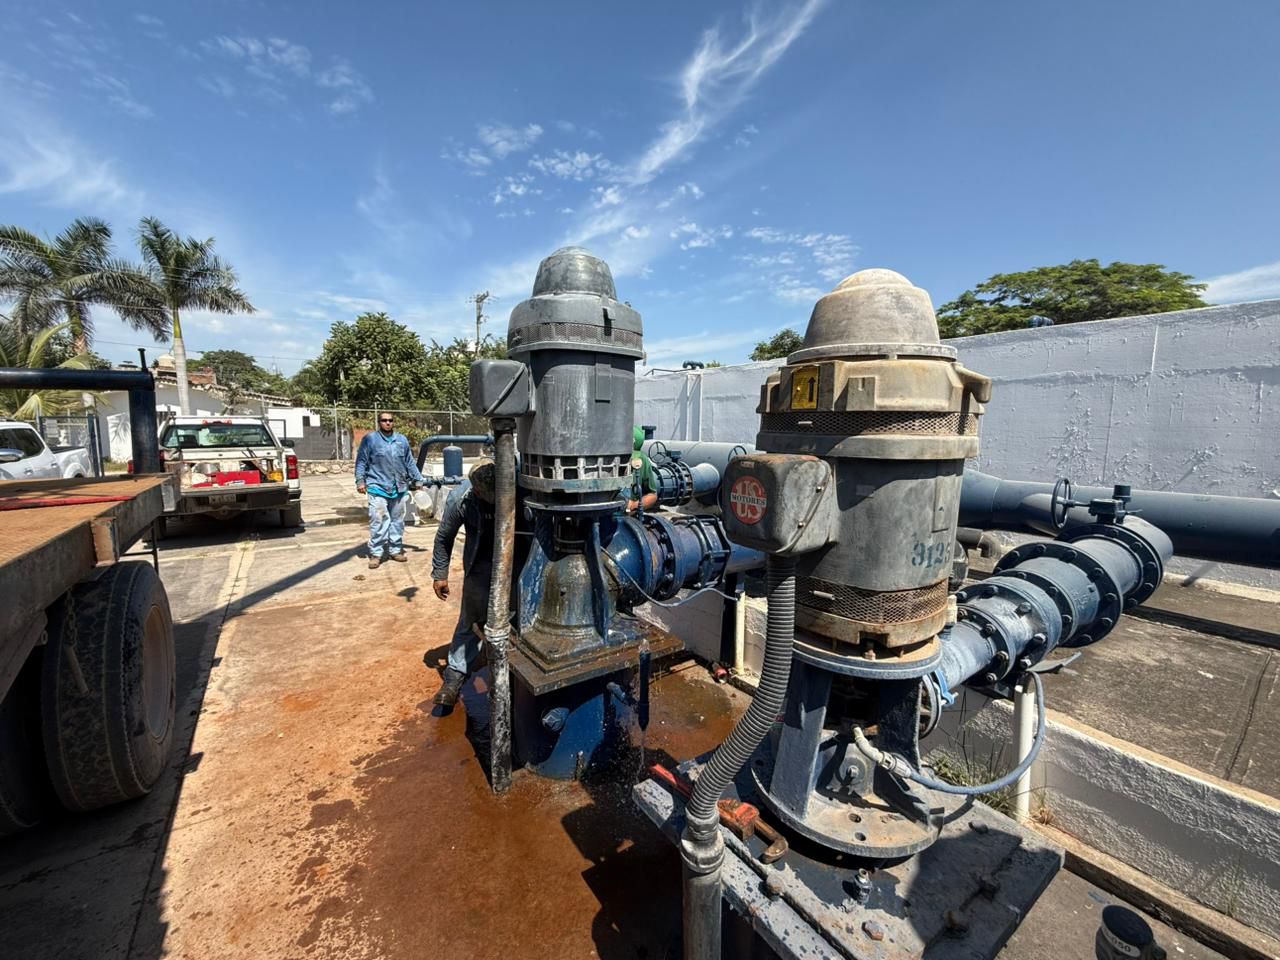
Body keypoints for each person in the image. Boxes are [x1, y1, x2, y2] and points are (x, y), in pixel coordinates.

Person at [430, 460, 496, 709]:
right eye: (485, 497)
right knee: (470, 620)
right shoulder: (460, 499)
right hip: (479, 564)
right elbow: (444, 538)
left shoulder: (520, 488)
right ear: (476, 491)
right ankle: (454, 676)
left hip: (519, 563)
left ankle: (512, 674)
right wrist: (440, 574)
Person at [354, 413, 425, 569]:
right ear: (379, 422)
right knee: (378, 520)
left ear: (393, 423)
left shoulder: (402, 440)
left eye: (390, 420)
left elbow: (409, 462)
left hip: (399, 487)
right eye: (384, 420)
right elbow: (361, 461)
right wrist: (360, 481)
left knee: (397, 521)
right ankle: (376, 553)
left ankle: (395, 550)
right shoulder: (370, 439)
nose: (387, 423)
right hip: (377, 487)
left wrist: (418, 479)